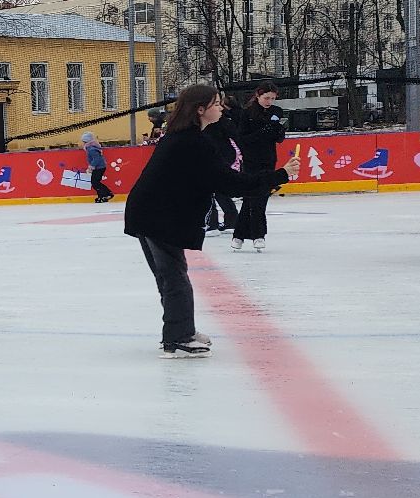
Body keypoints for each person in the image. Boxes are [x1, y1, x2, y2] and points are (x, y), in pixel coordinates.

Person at [123, 85, 295, 358]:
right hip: (158, 216)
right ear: (200, 109)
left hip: (150, 213)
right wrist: (280, 175)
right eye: (216, 103)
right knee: (175, 277)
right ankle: (179, 337)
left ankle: (180, 331)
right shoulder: (192, 142)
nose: (221, 107)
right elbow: (230, 183)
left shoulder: (187, 136)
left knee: (169, 277)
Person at [231, 82, 285, 251]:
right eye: (266, 98)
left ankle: (239, 235)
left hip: (268, 160)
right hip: (251, 161)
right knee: (255, 196)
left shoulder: (277, 112)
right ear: (258, 96)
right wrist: (263, 132)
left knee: (258, 197)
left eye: (273, 98)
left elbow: (279, 138)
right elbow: (242, 138)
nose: (269, 101)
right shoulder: (247, 113)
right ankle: (258, 235)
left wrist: (278, 130)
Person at [202, 97, 240, 231]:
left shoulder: (221, 120)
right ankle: (230, 220)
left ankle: (215, 223)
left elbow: (236, 136)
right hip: (215, 157)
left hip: (220, 157)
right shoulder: (204, 121)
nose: (220, 108)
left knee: (213, 190)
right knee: (217, 190)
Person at [83, 132, 113, 204]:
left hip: (99, 167)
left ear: (87, 141)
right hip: (99, 167)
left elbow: (96, 159)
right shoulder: (91, 148)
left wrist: (91, 167)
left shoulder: (91, 149)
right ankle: (102, 196)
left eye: (84, 141)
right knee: (95, 182)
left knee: (95, 182)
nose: (83, 143)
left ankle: (107, 193)